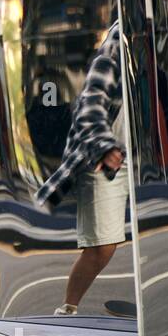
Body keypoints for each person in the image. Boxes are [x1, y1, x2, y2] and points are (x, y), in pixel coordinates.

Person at [36, 21, 131, 316]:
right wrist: (104, 147)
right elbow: (90, 105)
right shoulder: (118, 43)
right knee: (102, 246)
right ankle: (68, 308)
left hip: (141, 156)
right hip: (105, 156)